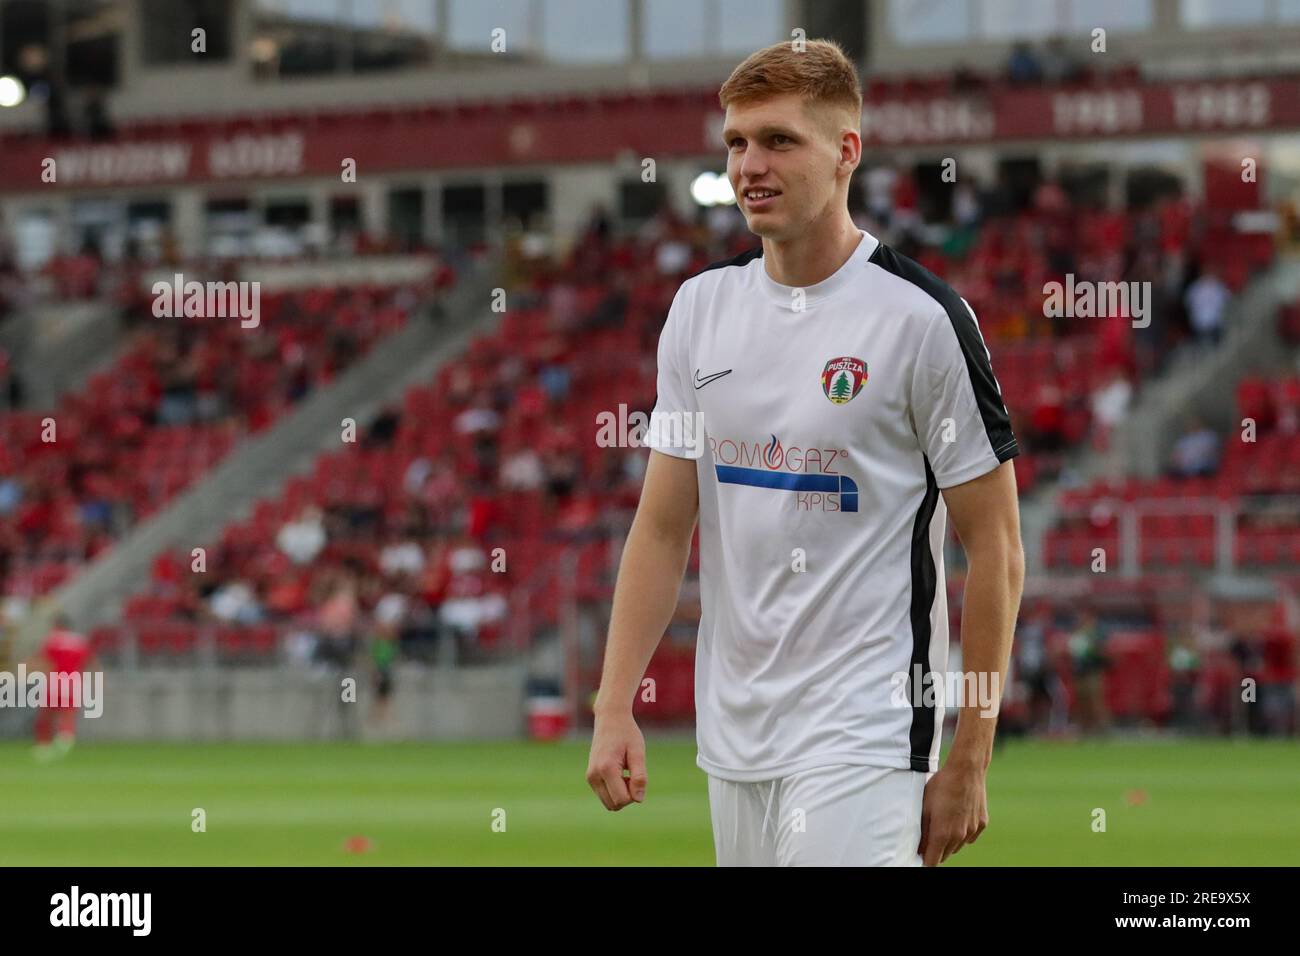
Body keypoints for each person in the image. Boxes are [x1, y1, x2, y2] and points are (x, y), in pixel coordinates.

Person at [585, 40, 1025, 867]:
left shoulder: (923, 321)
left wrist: (971, 753)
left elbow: (996, 545)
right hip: (737, 730)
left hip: (870, 719)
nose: (751, 164)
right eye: (737, 143)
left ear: (846, 151)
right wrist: (615, 705)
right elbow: (660, 528)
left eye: (780, 141)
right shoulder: (699, 311)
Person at [32, 614, 93, 761]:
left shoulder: (53, 640)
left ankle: (44, 746)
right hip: (73, 681)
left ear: (57, 626)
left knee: (47, 715)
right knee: (68, 713)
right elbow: (88, 662)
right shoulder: (80, 641)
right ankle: (66, 737)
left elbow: (45, 661)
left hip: (55, 680)